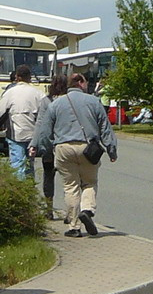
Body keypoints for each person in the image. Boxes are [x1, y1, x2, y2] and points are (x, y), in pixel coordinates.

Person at [29, 73, 117, 237]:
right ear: (81, 83)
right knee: (89, 183)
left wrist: (45, 149)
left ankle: (74, 227)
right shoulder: (94, 101)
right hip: (88, 149)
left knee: (71, 187)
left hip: (63, 148)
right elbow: (105, 127)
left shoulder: (55, 104)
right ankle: (87, 210)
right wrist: (111, 149)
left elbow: (45, 131)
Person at [0, 64, 46, 180]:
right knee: (30, 165)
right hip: (33, 136)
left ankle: (20, 191)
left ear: (17, 77)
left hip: (16, 134)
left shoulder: (10, 93)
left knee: (17, 165)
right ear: (30, 77)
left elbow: (1, 112)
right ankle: (30, 190)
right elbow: (45, 114)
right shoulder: (38, 93)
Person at [37, 75, 69, 219]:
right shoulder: (69, 101)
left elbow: (41, 125)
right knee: (69, 180)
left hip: (50, 145)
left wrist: (38, 144)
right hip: (65, 144)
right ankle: (70, 212)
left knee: (48, 178)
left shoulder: (46, 101)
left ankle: (49, 209)